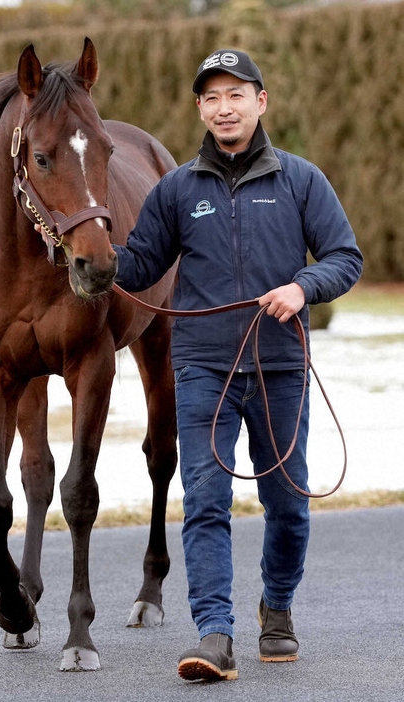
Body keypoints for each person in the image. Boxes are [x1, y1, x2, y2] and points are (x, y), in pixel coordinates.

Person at [112, 49, 363, 682]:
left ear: (260, 101)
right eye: (212, 98)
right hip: (202, 369)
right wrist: (89, 254)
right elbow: (139, 265)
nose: (224, 108)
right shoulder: (175, 191)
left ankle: (276, 607)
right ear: (199, 108)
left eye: (236, 95)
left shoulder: (303, 181)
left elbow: (345, 256)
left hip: (280, 366)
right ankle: (214, 633)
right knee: (204, 501)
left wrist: (303, 287)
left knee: (288, 507)